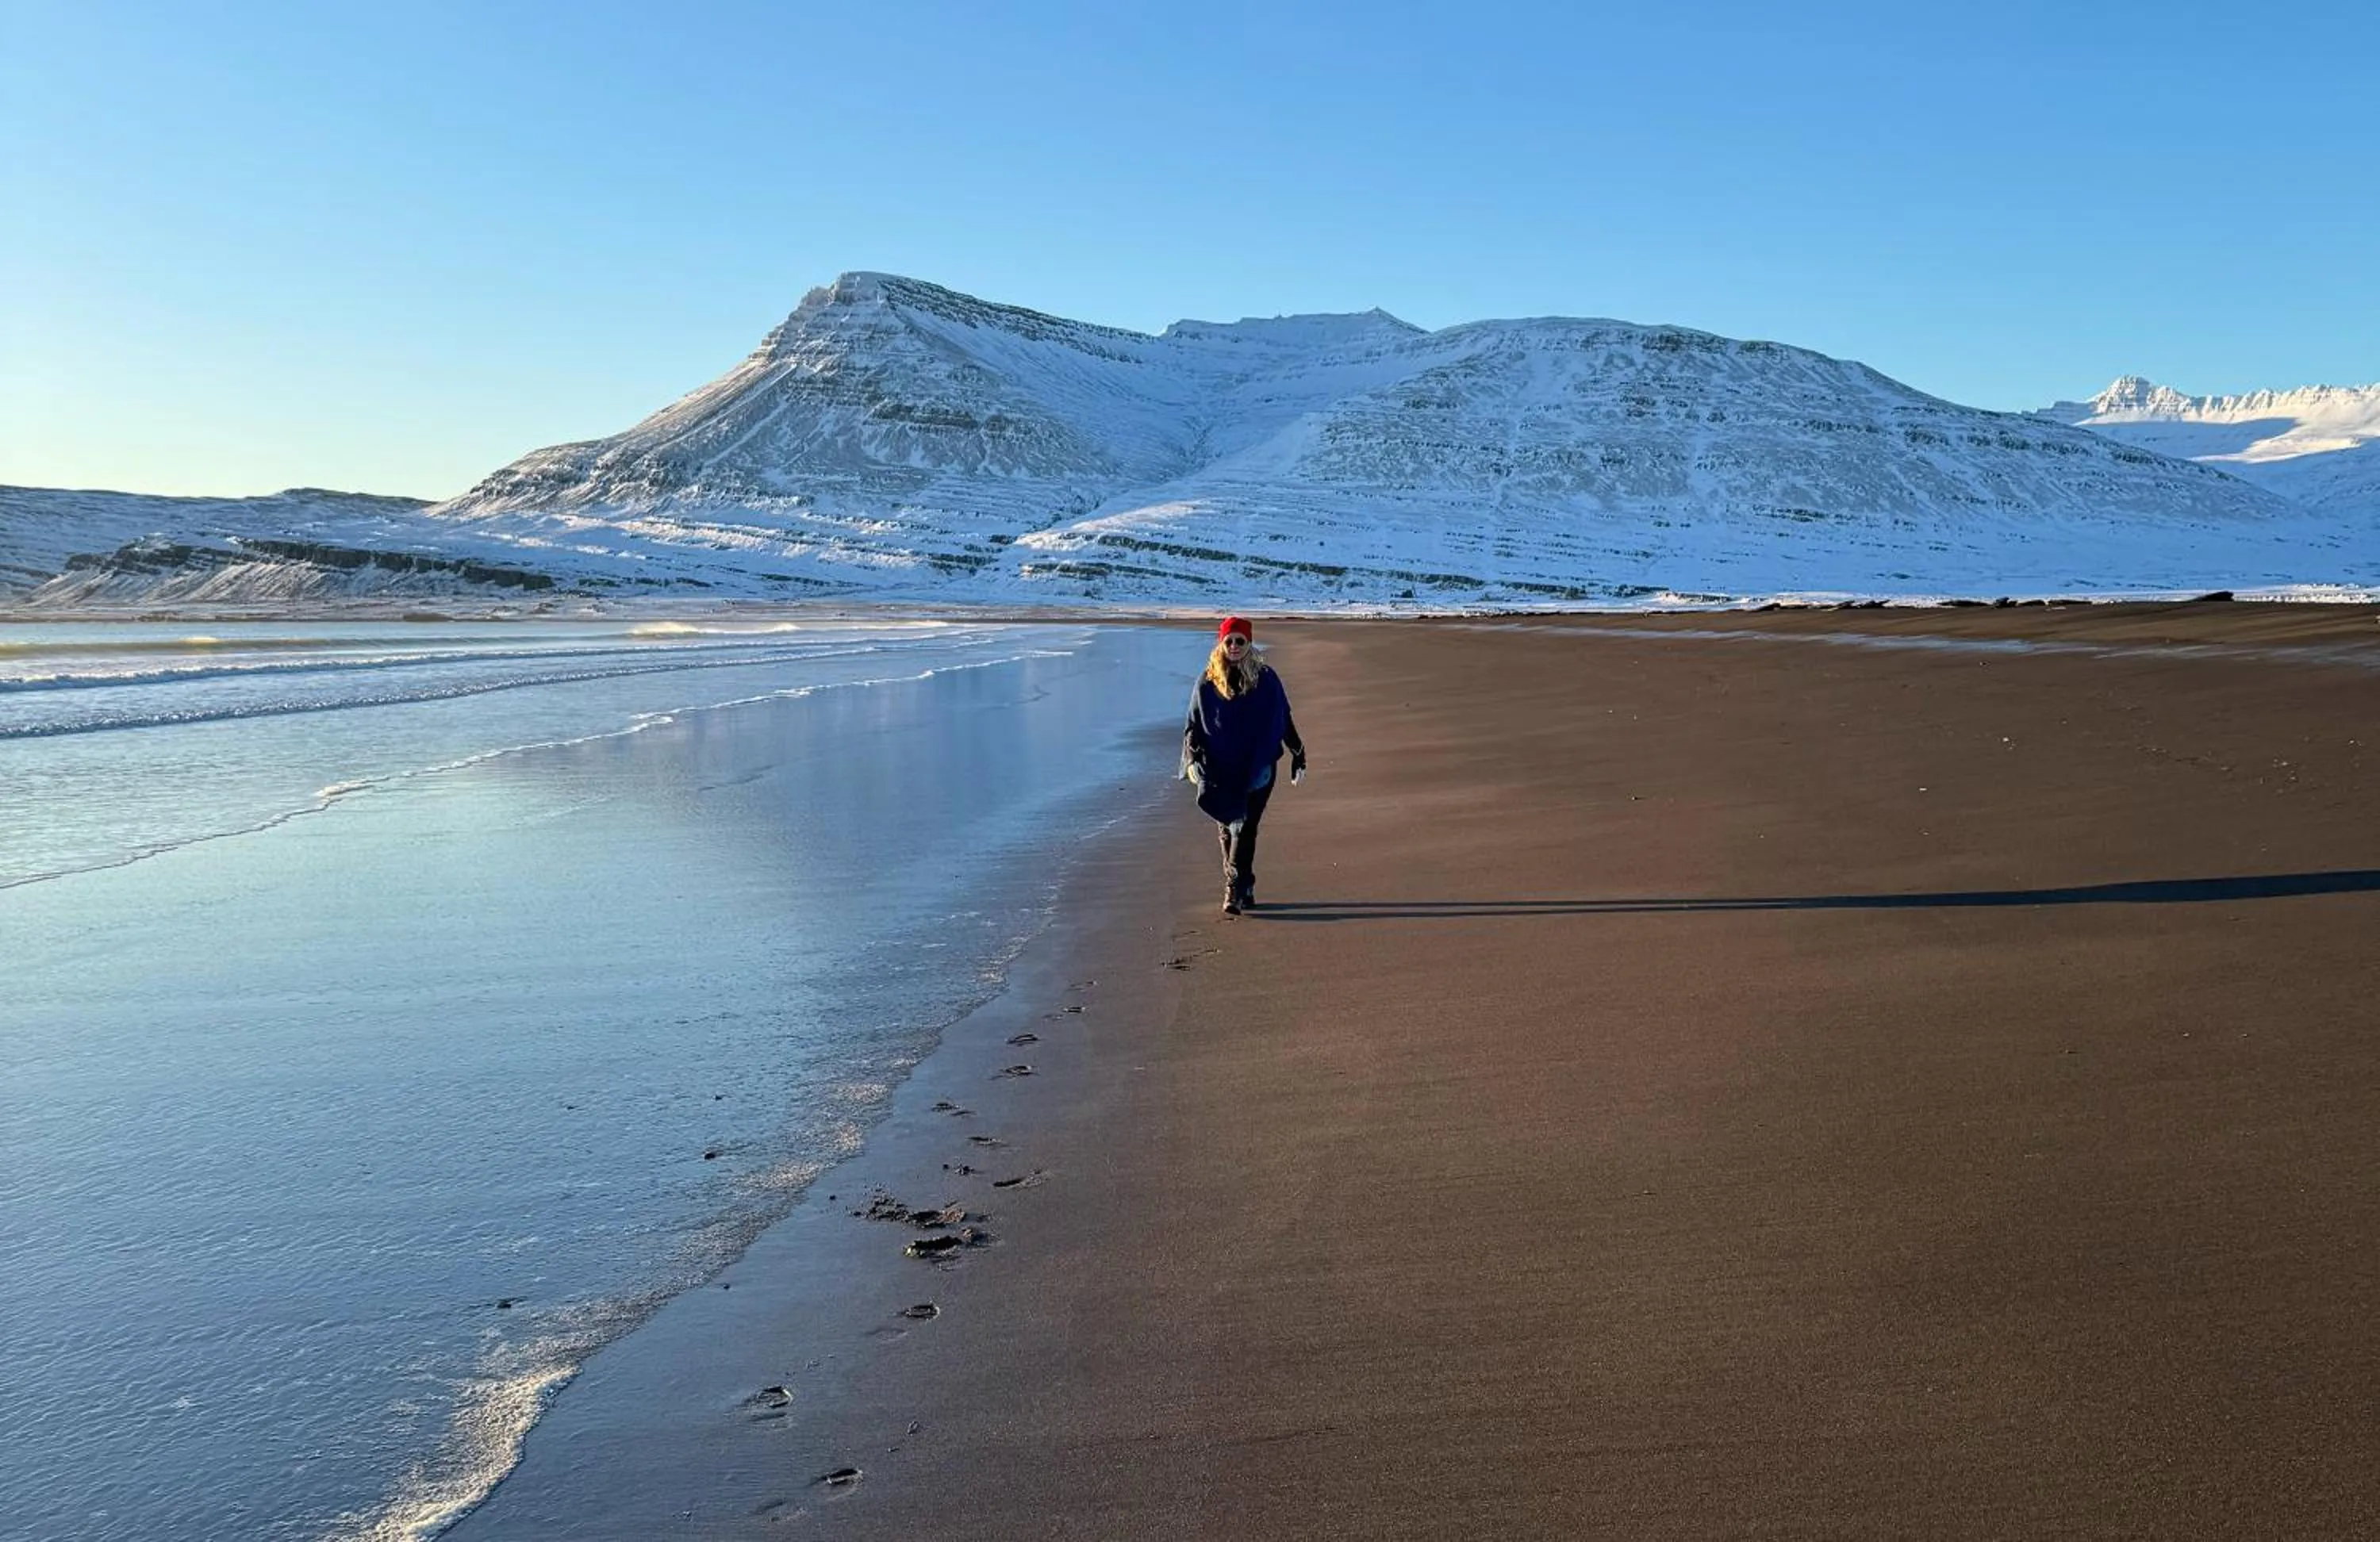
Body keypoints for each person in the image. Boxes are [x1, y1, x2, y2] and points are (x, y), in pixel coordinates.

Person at [1180, 616, 1306, 915]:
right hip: (1219, 767)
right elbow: (1193, 725)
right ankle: (1245, 884)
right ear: (1221, 644)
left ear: (1249, 644)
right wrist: (1192, 759)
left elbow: (1282, 718)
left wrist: (1298, 753)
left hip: (1258, 764)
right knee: (1227, 827)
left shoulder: (1266, 678)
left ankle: (1232, 889)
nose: (1235, 646)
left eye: (1241, 641)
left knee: (1246, 827)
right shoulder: (1208, 681)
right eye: (1229, 641)